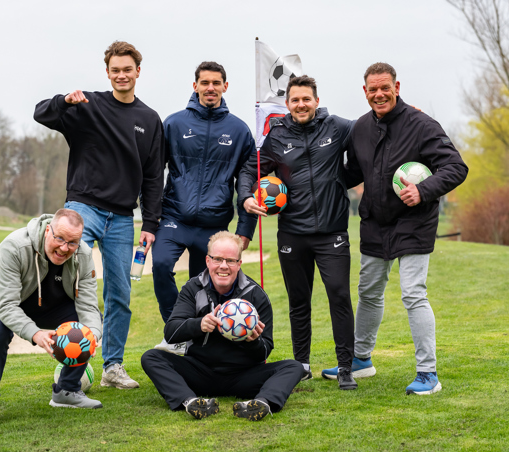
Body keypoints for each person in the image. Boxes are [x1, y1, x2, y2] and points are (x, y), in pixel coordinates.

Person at [322, 62, 468, 395]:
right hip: (375, 222)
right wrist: (314, 179)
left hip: (415, 222)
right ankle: (361, 359)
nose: (379, 94)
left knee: (413, 293)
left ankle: (428, 374)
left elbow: (456, 167)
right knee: (369, 292)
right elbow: (353, 172)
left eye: (384, 87)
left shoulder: (422, 125)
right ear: (365, 92)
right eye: (373, 89)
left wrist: (424, 190)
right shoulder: (360, 128)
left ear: (396, 87)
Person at [34, 41, 165, 390]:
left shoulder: (149, 119)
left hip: (122, 218)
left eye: (127, 69)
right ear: (107, 73)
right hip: (83, 207)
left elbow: (154, 177)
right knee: (74, 281)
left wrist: (150, 222)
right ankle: (71, 356)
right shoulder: (87, 105)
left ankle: (113, 367)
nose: (121, 75)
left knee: (120, 293)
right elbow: (41, 114)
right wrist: (64, 102)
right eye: (115, 70)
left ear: (138, 71)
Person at [238, 76, 357, 390]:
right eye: (295, 100)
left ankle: (346, 367)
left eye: (306, 99)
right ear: (287, 103)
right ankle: (302, 364)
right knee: (299, 301)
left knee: (339, 297)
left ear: (316, 101)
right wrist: (246, 197)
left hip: (332, 233)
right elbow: (250, 169)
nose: (301, 105)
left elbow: (369, 129)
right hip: (292, 234)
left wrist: (402, 114)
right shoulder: (276, 136)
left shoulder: (337, 127)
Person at [0, 209, 103, 428]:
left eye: (72, 242)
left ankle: (66, 391)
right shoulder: (16, 246)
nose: (64, 248)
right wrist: (35, 334)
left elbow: (88, 306)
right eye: (59, 238)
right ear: (48, 231)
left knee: (85, 329)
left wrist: (92, 335)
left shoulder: (82, 253)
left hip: (44, 303)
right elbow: (7, 306)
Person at [151, 61, 257, 354]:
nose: (210, 88)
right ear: (195, 85)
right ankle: (176, 332)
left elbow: (248, 182)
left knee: (202, 287)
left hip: (214, 224)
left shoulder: (239, 130)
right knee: (161, 265)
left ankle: (197, 346)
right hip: (174, 217)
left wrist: (245, 229)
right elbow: (153, 172)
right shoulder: (174, 123)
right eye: (205, 82)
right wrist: (150, 218)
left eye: (216, 83)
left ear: (225, 86)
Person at [141, 231, 303, 421]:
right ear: (208, 261)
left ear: (239, 264)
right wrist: (200, 324)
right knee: (151, 357)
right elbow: (171, 332)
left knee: (293, 367)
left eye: (230, 260)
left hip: (243, 375)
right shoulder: (193, 288)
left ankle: (261, 403)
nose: (223, 266)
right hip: (199, 372)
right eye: (217, 259)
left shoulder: (256, 294)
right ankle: (190, 401)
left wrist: (253, 341)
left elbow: (265, 351)